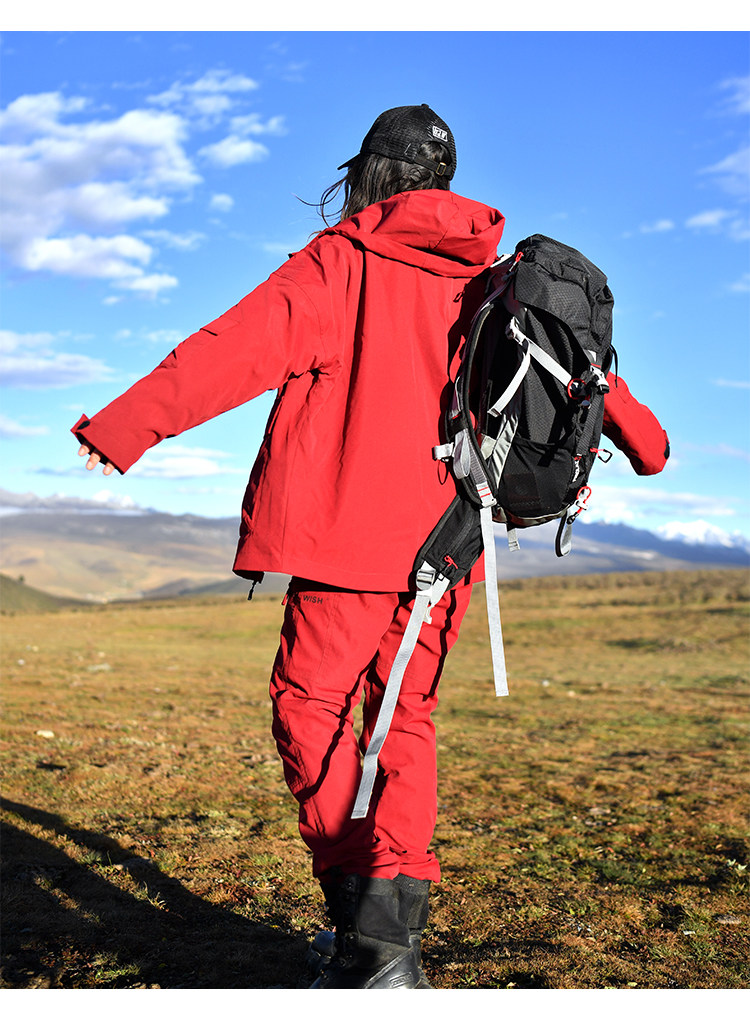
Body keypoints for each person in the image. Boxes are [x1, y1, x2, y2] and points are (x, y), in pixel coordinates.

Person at [73, 104, 669, 990]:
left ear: (368, 177)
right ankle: (388, 945)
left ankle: (368, 933)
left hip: (345, 542)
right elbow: (600, 393)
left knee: (308, 706)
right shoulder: (502, 280)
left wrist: (123, 427)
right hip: (451, 547)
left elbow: (222, 354)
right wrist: (647, 443)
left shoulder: (338, 263)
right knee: (406, 723)